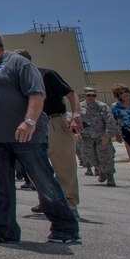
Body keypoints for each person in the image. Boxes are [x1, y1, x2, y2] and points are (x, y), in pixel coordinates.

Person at [0, 28, 80, 245]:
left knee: (44, 182)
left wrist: (29, 121)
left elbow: (37, 94)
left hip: (25, 137)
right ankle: (3, 230)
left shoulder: (19, 64)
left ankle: (65, 228)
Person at [15, 50, 81, 214]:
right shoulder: (15, 81)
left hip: (54, 121)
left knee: (64, 166)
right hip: (31, 125)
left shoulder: (46, 74)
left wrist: (75, 115)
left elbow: (71, 94)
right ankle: (46, 200)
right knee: (36, 167)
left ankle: (70, 203)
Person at [79, 87, 119, 186]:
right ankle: (102, 170)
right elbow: (77, 121)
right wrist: (77, 133)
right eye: (89, 95)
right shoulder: (79, 107)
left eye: (93, 95)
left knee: (106, 157)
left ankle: (110, 177)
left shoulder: (102, 106)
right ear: (85, 96)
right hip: (87, 137)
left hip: (101, 136)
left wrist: (108, 135)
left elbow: (110, 121)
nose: (91, 97)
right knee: (89, 155)